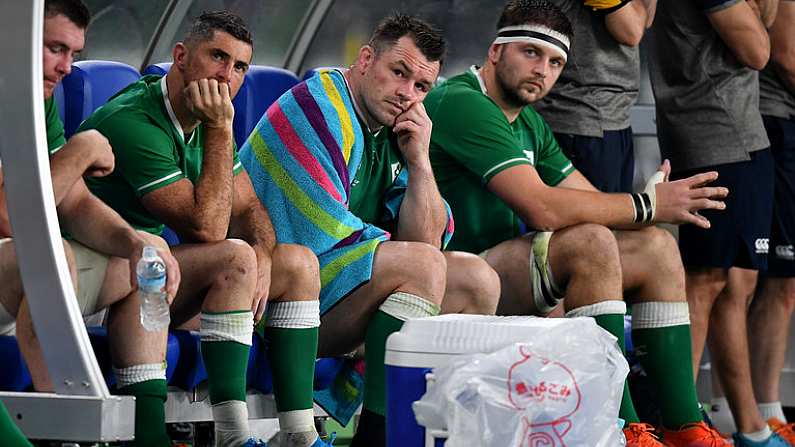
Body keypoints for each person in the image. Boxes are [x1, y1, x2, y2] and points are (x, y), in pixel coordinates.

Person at [425, 0, 731, 445]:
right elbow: (544, 209)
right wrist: (645, 205)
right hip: (452, 277)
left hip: (500, 270)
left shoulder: (529, 122)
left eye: (555, 62)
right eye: (530, 53)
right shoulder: (461, 101)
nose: (543, 70)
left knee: (656, 247)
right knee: (589, 241)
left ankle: (683, 427)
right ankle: (622, 428)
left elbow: (586, 197)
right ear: (495, 53)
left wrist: (651, 204)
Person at [239, 14, 501, 447]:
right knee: (420, 268)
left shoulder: (393, 129)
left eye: (421, 87)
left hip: (333, 288)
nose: (406, 95)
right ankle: (381, 437)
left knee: (478, 280)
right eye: (398, 72)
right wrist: (408, 268)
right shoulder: (320, 106)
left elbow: (429, 242)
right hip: (272, 300)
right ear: (365, 60)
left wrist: (420, 162)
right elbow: (316, 233)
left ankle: (438, 432)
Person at [80, 11, 327, 447]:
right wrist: (220, 128)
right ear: (180, 56)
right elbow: (208, 229)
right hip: (99, 285)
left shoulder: (203, 121)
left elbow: (249, 207)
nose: (226, 76)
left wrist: (266, 259)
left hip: (156, 275)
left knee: (299, 263)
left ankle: (300, 436)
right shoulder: (136, 121)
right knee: (233, 256)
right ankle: (233, 437)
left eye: (240, 67)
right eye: (217, 57)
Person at [0, 1, 182, 446]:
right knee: (54, 255)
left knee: (146, 263)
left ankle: (148, 433)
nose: (65, 67)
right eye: (54, 49)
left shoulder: (36, 101)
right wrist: (81, 151)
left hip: (19, 270)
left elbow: (74, 204)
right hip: (15, 262)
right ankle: (63, 431)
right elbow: (11, 217)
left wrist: (134, 241)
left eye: (73, 54)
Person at [648, 0, 788, 445]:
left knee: (731, 280)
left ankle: (749, 427)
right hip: (715, 135)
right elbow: (758, 51)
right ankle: (680, 425)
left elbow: (761, 26)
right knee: (704, 282)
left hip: (738, 133)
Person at [533, 0, 656, 192]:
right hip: (580, 118)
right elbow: (631, 31)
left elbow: (646, 18)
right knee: (593, 219)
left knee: (617, 218)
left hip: (610, 115)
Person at [747, 0, 795, 441]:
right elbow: (787, 57)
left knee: (785, 282)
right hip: (776, 127)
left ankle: (764, 410)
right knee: (757, 277)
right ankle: (758, 412)